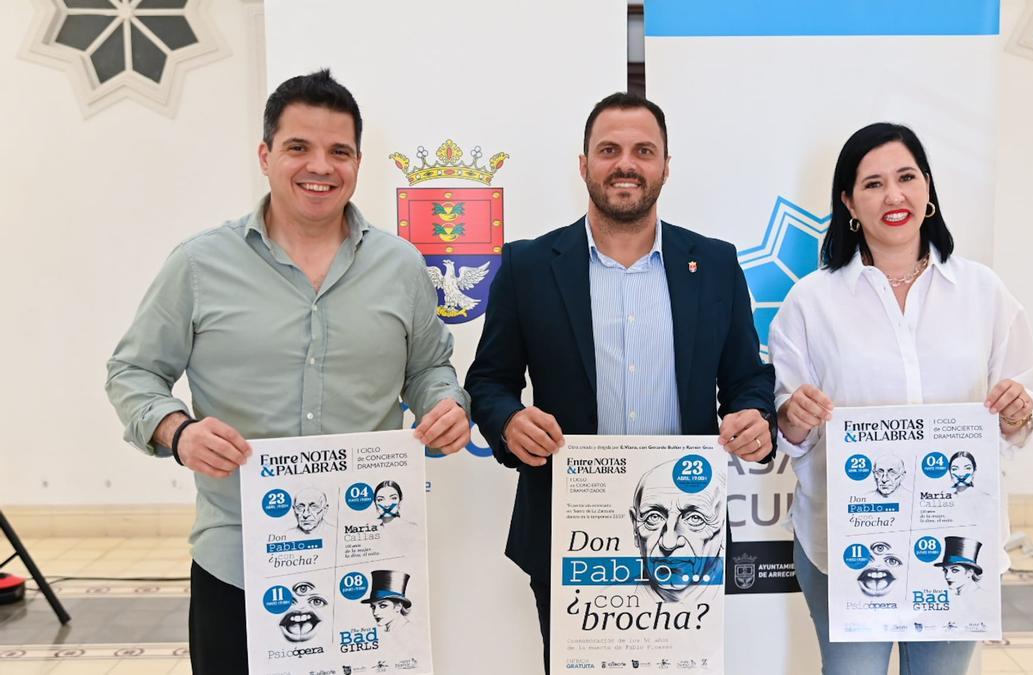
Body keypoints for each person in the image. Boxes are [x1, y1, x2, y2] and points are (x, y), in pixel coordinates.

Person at [104, 70, 470, 675]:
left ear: (358, 162)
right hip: (239, 559)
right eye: (299, 147)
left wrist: (446, 402)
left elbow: (429, 366)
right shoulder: (200, 264)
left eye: (339, 151)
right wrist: (177, 431)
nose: (319, 167)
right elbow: (133, 371)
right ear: (265, 155)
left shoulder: (400, 265)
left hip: (368, 558)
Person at [464, 92, 777, 674]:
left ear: (665, 165)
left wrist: (754, 414)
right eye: (608, 150)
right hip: (569, 538)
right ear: (583, 164)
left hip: (683, 538)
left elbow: (748, 380)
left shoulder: (713, 264)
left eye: (643, 151)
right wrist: (508, 421)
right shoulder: (530, 267)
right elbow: (488, 381)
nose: (625, 164)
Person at [768, 122, 1033, 674]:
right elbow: (787, 428)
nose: (893, 196)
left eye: (906, 177)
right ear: (848, 202)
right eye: (872, 184)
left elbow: (1029, 405)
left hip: (957, 538)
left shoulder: (983, 293)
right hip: (845, 543)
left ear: (928, 191)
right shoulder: (811, 302)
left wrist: (1021, 410)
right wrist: (793, 416)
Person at [628, 459, 726, 605]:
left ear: (723, 528)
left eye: (695, 518)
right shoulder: (604, 595)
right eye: (653, 517)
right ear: (635, 527)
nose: (668, 543)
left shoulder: (739, 604)